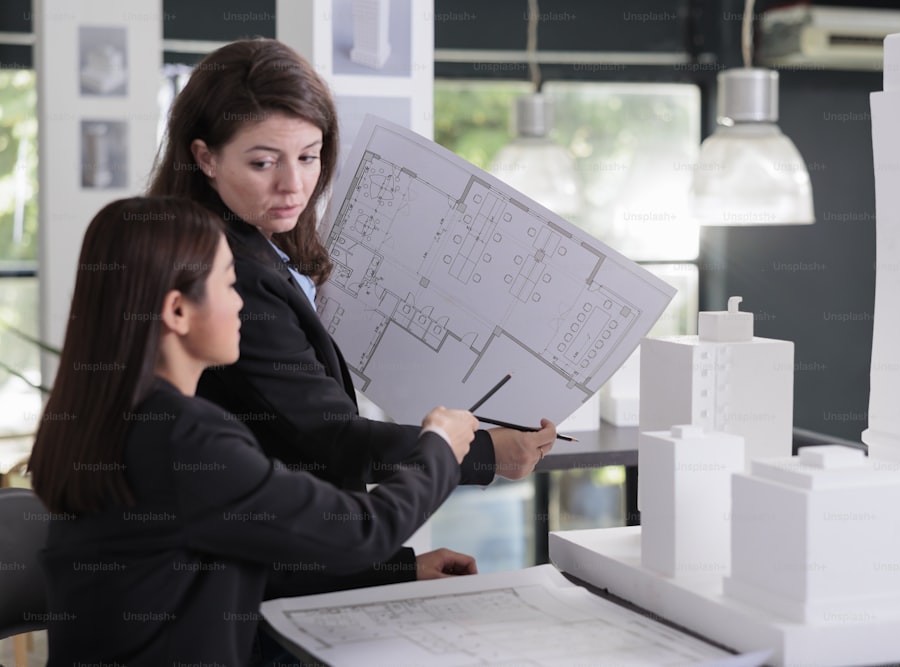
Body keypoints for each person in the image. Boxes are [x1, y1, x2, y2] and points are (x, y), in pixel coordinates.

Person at [147, 38, 557, 582]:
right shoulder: (231, 273)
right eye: (264, 161)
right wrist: (479, 452)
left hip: (281, 574)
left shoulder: (262, 247)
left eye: (309, 157)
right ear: (205, 158)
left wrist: (397, 569)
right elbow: (327, 440)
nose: (293, 185)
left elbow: (285, 489)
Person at [27, 197, 479, 664]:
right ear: (178, 311)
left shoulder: (107, 418)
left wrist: (402, 569)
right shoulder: (182, 437)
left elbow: (260, 554)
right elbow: (358, 531)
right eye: (228, 284)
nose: (243, 302)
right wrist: (440, 447)